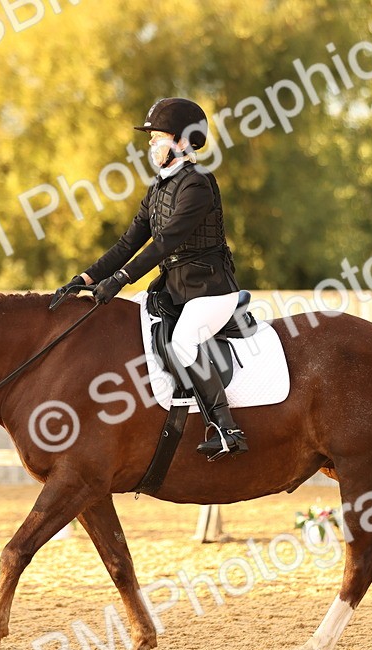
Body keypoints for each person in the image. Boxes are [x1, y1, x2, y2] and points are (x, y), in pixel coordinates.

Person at [52, 97, 247, 459]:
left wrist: (120, 280)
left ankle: (226, 428)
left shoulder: (198, 185)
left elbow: (164, 243)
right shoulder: (158, 190)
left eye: (158, 138)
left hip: (210, 292)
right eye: (150, 139)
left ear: (183, 141)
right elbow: (129, 242)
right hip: (175, 292)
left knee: (184, 343)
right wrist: (87, 276)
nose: (151, 145)